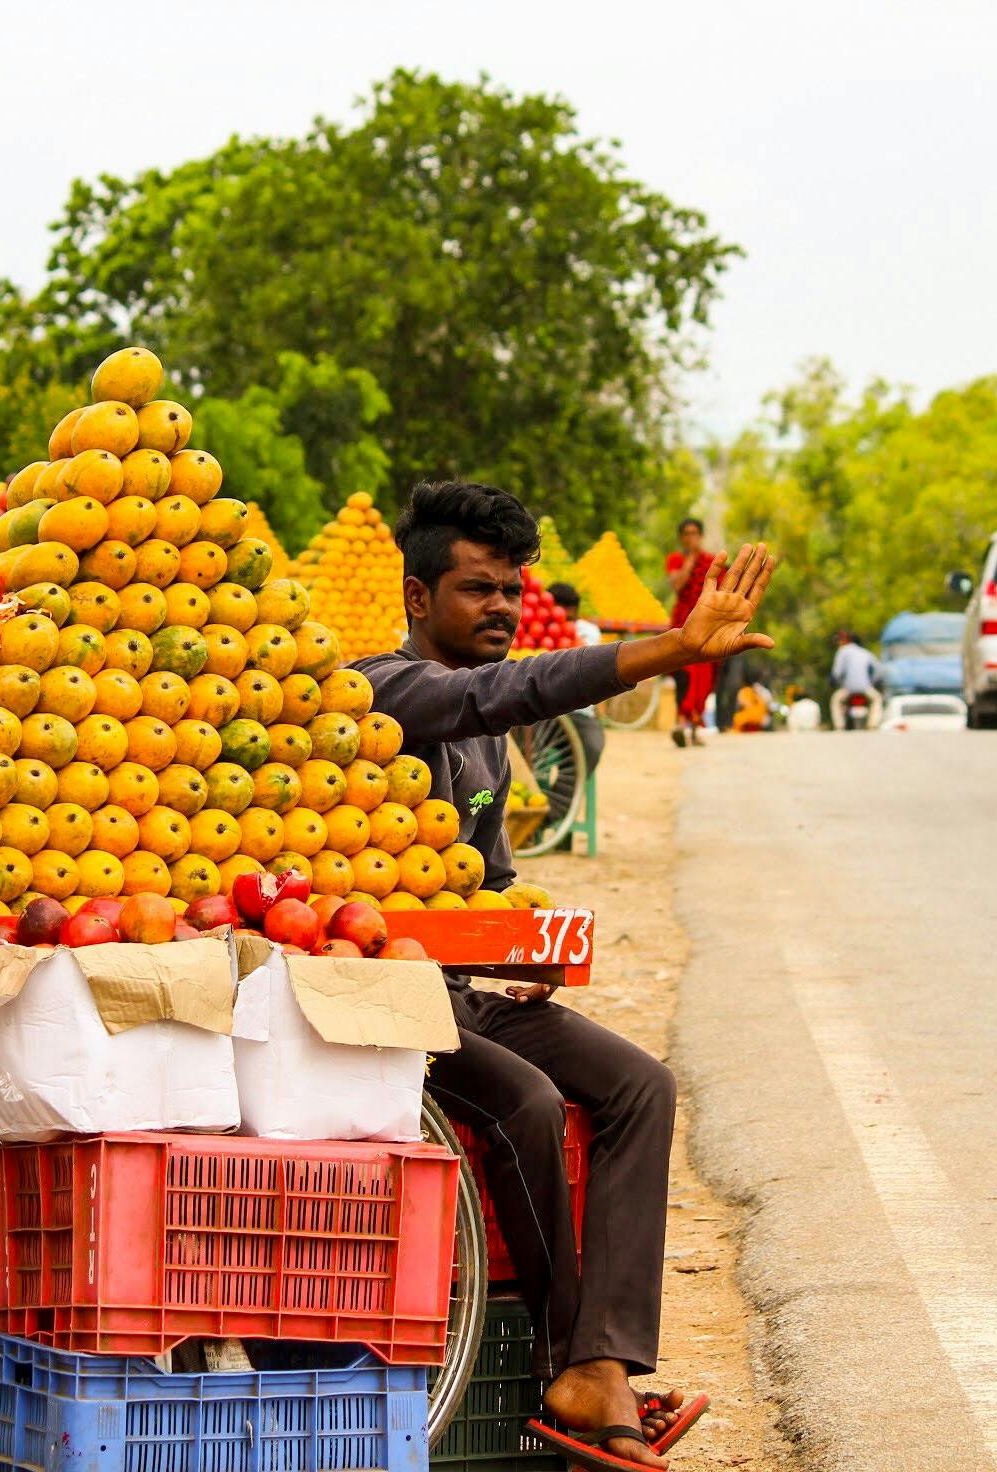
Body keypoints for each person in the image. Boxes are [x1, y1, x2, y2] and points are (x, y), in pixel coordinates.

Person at [355, 482, 777, 1471]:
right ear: (418, 597)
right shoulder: (388, 690)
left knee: (642, 1084)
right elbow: (508, 691)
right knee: (529, 1102)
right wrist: (673, 648)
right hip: (385, 1006)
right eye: (476, 590)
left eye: (511, 589)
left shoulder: (485, 740)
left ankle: (602, 1358)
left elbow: (488, 884)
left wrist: (525, 941)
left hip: (464, 990)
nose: (500, 608)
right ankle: (570, 1364)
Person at [546, 582, 607, 813]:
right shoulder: (535, 625)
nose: (564, 624)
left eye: (569, 618)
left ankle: (555, 812)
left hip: (579, 714)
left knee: (592, 745)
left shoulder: (587, 632)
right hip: (540, 712)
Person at [663, 519, 717, 747]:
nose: (690, 538)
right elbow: (677, 585)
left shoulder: (712, 562)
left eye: (694, 533)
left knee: (703, 679)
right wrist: (692, 559)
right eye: (686, 534)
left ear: (701, 536)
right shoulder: (675, 560)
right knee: (684, 675)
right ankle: (678, 724)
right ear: (681, 537)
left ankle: (694, 729)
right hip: (682, 626)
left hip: (705, 628)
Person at [830, 629, 880, 730]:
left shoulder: (842, 651)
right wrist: (874, 682)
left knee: (835, 700)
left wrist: (833, 682)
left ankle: (839, 726)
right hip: (865, 688)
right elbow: (878, 670)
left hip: (848, 689)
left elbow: (836, 673)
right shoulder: (866, 652)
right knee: (877, 699)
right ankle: (872, 724)